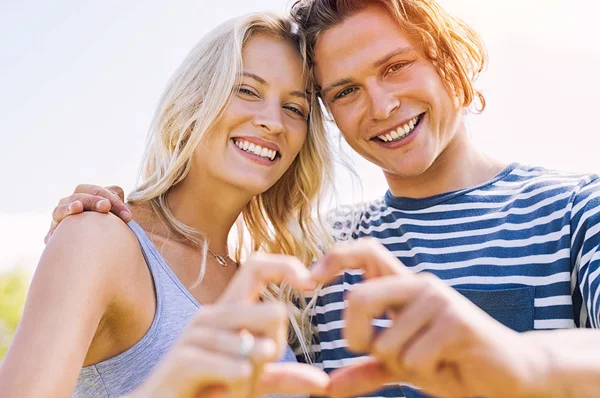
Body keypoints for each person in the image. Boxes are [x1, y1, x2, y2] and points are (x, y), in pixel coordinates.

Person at [46, 0, 600, 397]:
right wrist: (107, 223)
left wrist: (528, 362)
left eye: (396, 65)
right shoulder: (313, 257)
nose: (380, 105)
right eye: (345, 91)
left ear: (448, 57)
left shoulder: (577, 208)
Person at [0, 12, 333, 398]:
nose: (273, 122)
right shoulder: (97, 238)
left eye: (295, 109)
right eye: (246, 90)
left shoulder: (271, 292)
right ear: (196, 96)